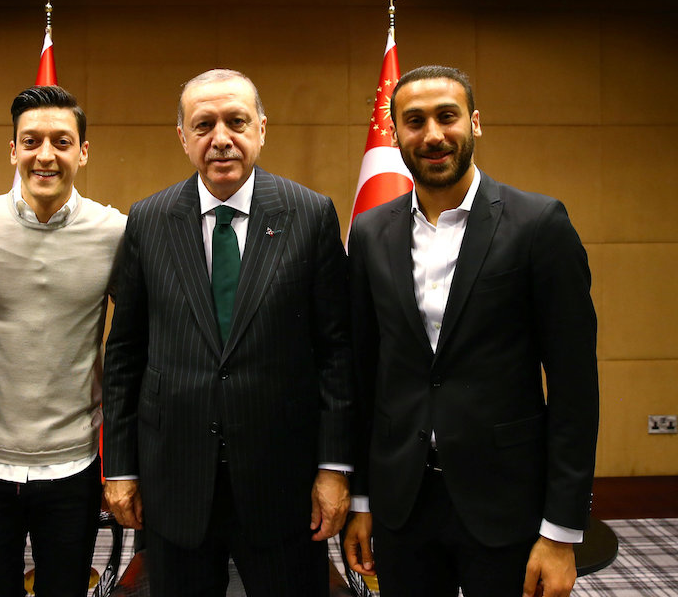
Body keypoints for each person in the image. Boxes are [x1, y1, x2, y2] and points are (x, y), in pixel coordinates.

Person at [344, 65, 599, 597]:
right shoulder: (370, 233)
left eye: (447, 116)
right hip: (403, 502)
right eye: (414, 121)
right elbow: (364, 376)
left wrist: (561, 532)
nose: (433, 134)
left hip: (506, 501)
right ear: (395, 134)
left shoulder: (539, 224)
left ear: (475, 123)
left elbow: (575, 388)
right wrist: (363, 501)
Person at [102, 68, 355, 596]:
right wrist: (120, 467)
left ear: (261, 128)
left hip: (282, 485)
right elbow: (125, 354)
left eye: (236, 121)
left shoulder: (309, 215)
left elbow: (337, 353)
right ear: (183, 137)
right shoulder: (148, 220)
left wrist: (333, 468)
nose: (221, 138)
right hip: (174, 483)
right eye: (204, 124)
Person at [0, 85, 126, 596]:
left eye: (61, 141)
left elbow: (136, 342)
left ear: (82, 152)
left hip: (73, 463)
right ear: (13, 149)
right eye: (31, 141)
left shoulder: (115, 232)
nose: (45, 154)